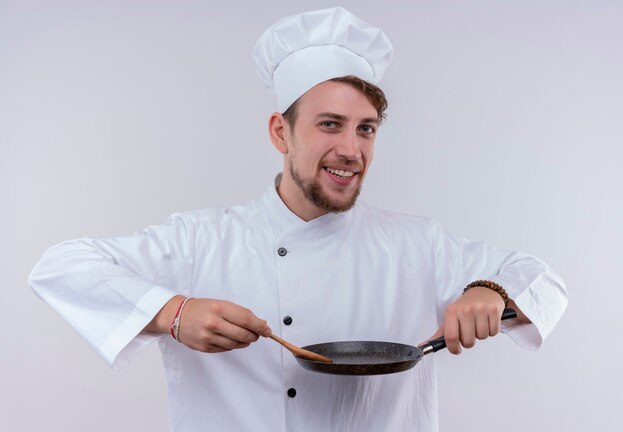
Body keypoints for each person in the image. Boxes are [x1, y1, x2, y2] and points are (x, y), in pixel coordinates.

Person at [29, 7, 567, 432]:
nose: (351, 149)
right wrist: (173, 312)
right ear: (280, 133)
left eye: (366, 129)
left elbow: (542, 277)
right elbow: (59, 266)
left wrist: (491, 292)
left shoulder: (416, 243)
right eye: (330, 124)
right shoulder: (200, 239)